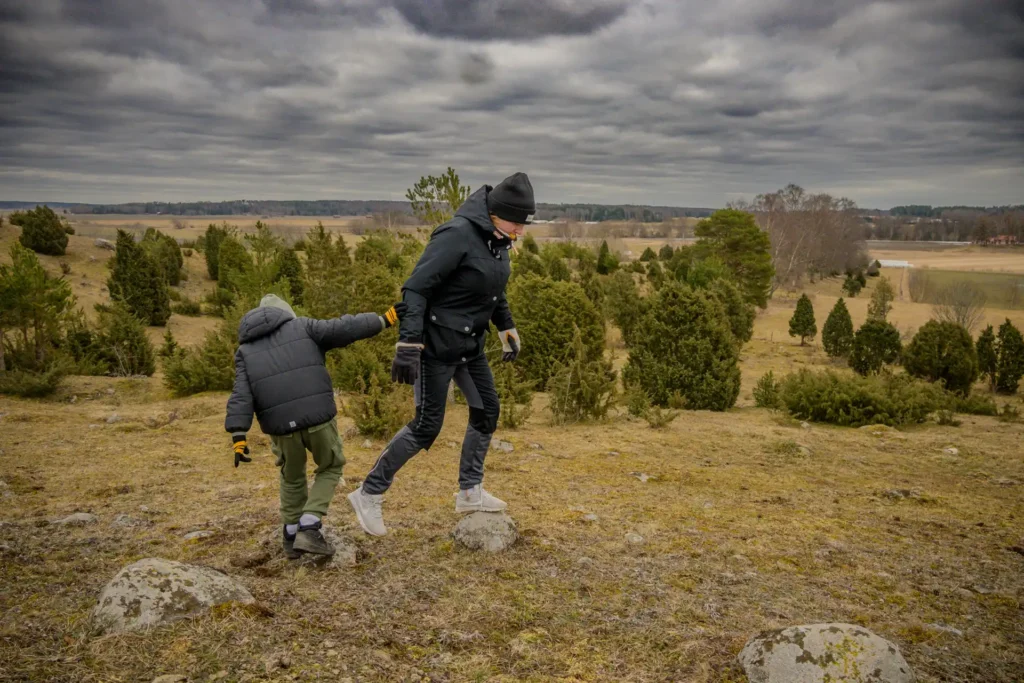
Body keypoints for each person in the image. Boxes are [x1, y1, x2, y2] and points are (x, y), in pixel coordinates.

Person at [347, 172, 534, 536]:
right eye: (517, 222)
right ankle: (368, 493)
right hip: (434, 347)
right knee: (426, 426)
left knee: (487, 410)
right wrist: (409, 343)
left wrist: (506, 327)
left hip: (469, 347)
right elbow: (415, 289)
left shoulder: (498, 240)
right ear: (497, 213)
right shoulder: (456, 235)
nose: (521, 231)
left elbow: (492, 291)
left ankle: (469, 490)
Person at [225, 293, 404, 558]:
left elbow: (241, 394)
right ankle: (309, 525)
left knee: (291, 476)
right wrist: (383, 320)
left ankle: (290, 533)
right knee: (331, 466)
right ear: (286, 313)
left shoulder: (245, 352)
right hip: (318, 418)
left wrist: (238, 435)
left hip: (280, 427)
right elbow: (344, 327)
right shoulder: (303, 327)